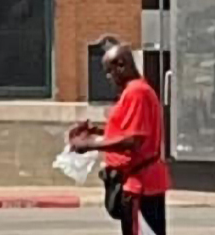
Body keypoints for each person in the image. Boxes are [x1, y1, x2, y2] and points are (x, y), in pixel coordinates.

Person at [70, 39, 170, 235]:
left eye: (110, 70)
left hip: (141, 185)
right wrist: (96, 132)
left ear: (121, 65)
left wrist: (91, 144)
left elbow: (134, 140)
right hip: (138, 183)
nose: (108, 77)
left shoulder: (136, 93)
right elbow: (126, 131)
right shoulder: (135, 92)